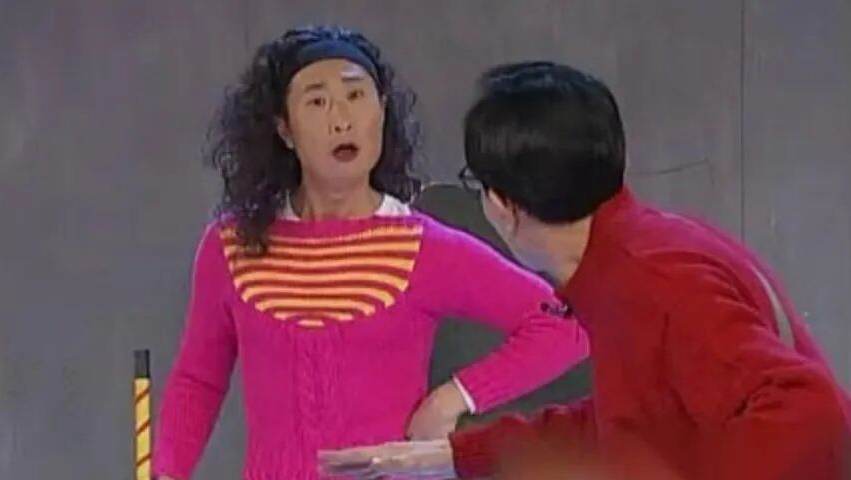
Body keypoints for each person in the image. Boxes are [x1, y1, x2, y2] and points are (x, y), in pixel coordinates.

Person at [319, 61, 851, 479]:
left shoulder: (654, 283)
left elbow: (810, 413)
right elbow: (627, 424)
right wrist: (455, 455)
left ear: (502, 205)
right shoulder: (638, 254)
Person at [153, 28, 590, 480]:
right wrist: (165, 472)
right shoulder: (232, 245)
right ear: (284, 129)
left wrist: (454, 398)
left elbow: (565, 326)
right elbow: (198, 381)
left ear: (381, 112)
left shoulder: (423, 248)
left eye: (356, 95)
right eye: (317, 101)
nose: (341, 119)